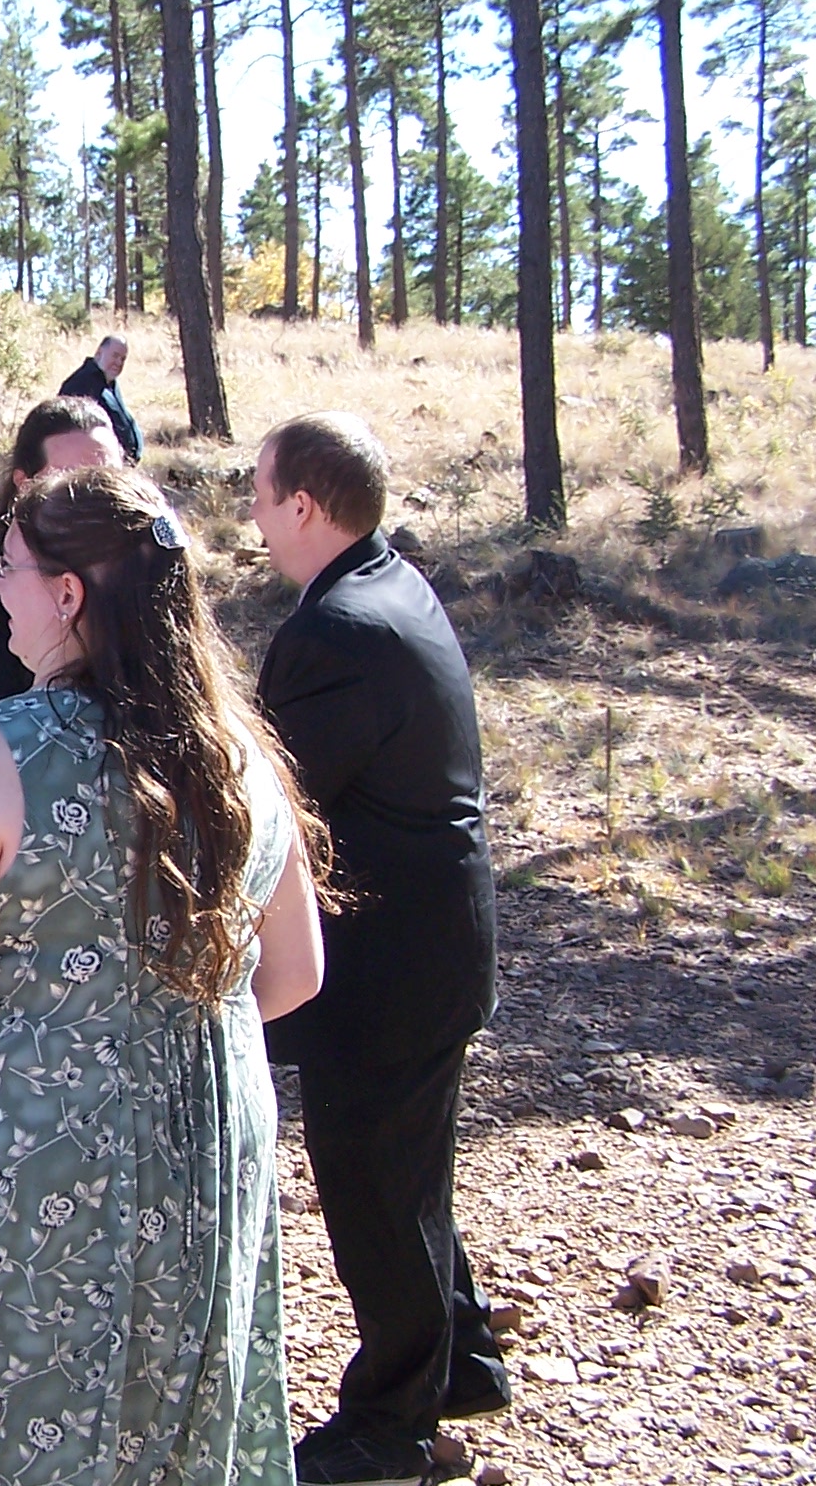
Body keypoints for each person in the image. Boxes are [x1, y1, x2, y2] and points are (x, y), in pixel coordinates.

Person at [0, 465, 329, 1486]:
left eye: (9, 568)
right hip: (209, 1138)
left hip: (37, 1148)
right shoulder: (241, 753)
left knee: (5, 1417)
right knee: (172, 1421)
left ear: (68, 593)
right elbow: (294, 972)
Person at [247, 412, 508, 1486]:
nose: (256, 519)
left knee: (373, 1189)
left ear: (305, 505)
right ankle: (463, 1362)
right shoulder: (390, 585)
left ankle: (392, 1427)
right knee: (406, 1171)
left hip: (391, 970)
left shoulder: (340, 630)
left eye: (262, 497)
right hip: (429, 949)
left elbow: (266, 796)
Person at [0, 398, 121, 707]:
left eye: (106, 479)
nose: (93, 497)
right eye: (69, 480)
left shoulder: (149, 570)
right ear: (25, 486)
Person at [58, 334, 142, 461]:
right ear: (99, 353)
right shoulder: (80, 383)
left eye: (123, 359)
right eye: (115, 356)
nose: (119, 363)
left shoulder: (110, 382)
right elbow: (68, 430)